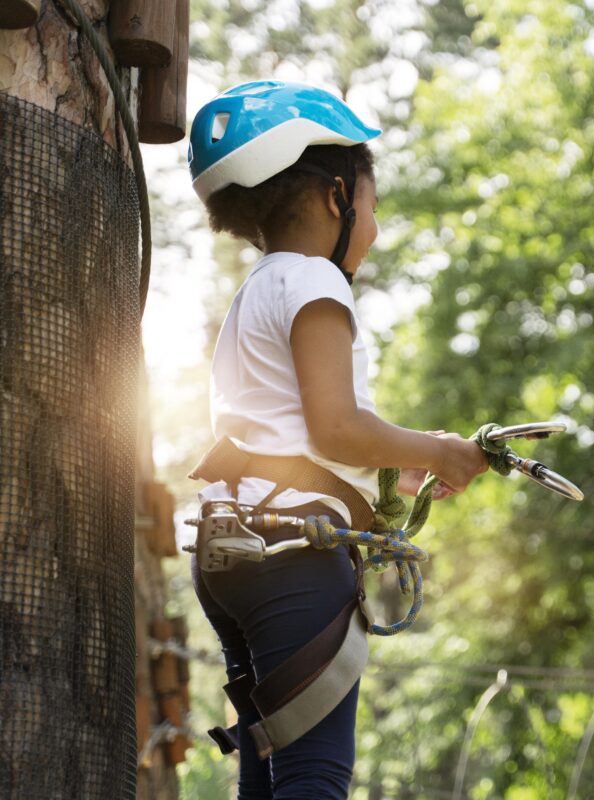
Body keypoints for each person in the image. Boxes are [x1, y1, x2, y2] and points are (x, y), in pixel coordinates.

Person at [185, 80, 489, 799]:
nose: (376, 229)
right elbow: (337, 426)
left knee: (268, 773)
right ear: (335, 198)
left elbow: (295, 435)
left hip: (232, 549)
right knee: (313, 778)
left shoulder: (259, 288)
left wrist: (396, 470)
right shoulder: (317, 281)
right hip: (295, 553)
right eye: (374, 208)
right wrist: (439, 450)